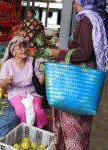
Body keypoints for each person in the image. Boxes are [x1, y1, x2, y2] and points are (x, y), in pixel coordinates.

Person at [49, 0, 108, 150]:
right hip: (85, 77)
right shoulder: (99, 17)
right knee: (81, 122)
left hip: (76, 79)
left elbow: (84, 52)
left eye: (76, 2)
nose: (74, 5)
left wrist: (60, 53)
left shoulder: (88, 20)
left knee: (73, 122)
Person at [0, 35, 47, 128]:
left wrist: (45, 74)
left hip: (33, 92)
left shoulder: (33, 62)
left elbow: (40, 82)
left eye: (24, 46)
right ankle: (24, 131)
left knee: (38, 110)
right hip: (16, 93)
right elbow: (1, 84)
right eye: (19, 48)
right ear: (13, 52)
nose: (23, 49)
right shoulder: (7, 65)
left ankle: (41, 130)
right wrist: (7, 81)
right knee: (20, 111)